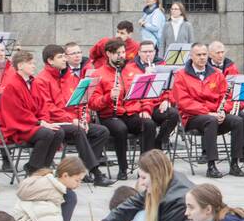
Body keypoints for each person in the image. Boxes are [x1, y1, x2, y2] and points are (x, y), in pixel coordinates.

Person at [33, 44, 113, 186]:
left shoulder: (69, 76)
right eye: (61, 57)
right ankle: (96, 173)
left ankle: (83, 170)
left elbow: (81, 100)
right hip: (54, 122)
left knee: (102, 131)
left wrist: (84, 118)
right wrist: (73, 120)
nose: (65, 59)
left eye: (64, 56)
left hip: (72, 120)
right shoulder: (42, 79)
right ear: (50, 61)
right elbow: (48, 107)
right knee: (77, 131)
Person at [171, 42, 244, 179]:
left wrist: (223, 111)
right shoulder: (181, 75)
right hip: (192, 117)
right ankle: (211, 165)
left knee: (237, 120)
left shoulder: (217, 73)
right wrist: (208, 112)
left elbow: (228, 97)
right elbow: (184, 102)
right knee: (210, 120)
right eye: (198, 55)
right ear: (191, 56)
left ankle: (235, 163)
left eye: (204, 54)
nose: (202, 57)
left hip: (215, 114)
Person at [89, 38, 158, 180]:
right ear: (108, 53)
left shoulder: (132, 70)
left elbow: (144, 94)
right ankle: (123, 168)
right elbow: (93, 103)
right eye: (117, 53)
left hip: (131, 112)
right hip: (109, 115)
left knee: (149, 124)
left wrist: (146, 109)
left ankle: (144, 167)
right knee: (120, 129)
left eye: (123, 52)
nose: (122, 56)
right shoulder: (98, 73)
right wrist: (108, 97)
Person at [0, 50, 66, 174]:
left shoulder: (33, 82)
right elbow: (17, 113)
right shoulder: (12, 85)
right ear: (20, 66)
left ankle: (43, 167)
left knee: (59, 132)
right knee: (47, 134)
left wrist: (44, 120)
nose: (34, 66)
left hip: (33, 124)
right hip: (19, 127)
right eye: (30, 63)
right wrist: (39, 123)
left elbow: (42, 105)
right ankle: (34, 168)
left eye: (33, 63)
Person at [14, 158, 86, 221]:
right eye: (77, 180)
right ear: (65, 175)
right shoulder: (52, 190)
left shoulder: (48, 180)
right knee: (70, 196)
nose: (79, 185)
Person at [130, 39, 180, 151]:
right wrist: (144, 76)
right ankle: (147, 154)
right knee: (148, 124)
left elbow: (170, 87)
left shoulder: (162, 65)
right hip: (140, 108)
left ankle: (159, 142)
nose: (148, 54)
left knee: (173, 114)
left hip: (157, 104)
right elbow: (132, 93)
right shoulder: (131, 68)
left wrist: (167, 100)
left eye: (151, 51)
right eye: (145, 52)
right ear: (138, 53)